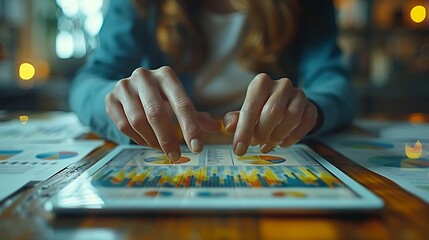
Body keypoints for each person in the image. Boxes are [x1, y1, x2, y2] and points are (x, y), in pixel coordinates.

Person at [70, 0, 355, 163]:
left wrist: (309, 109)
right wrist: (118, 101)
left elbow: (333, 81)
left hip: (270, 151)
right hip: (173, 150)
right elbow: (89, 82)